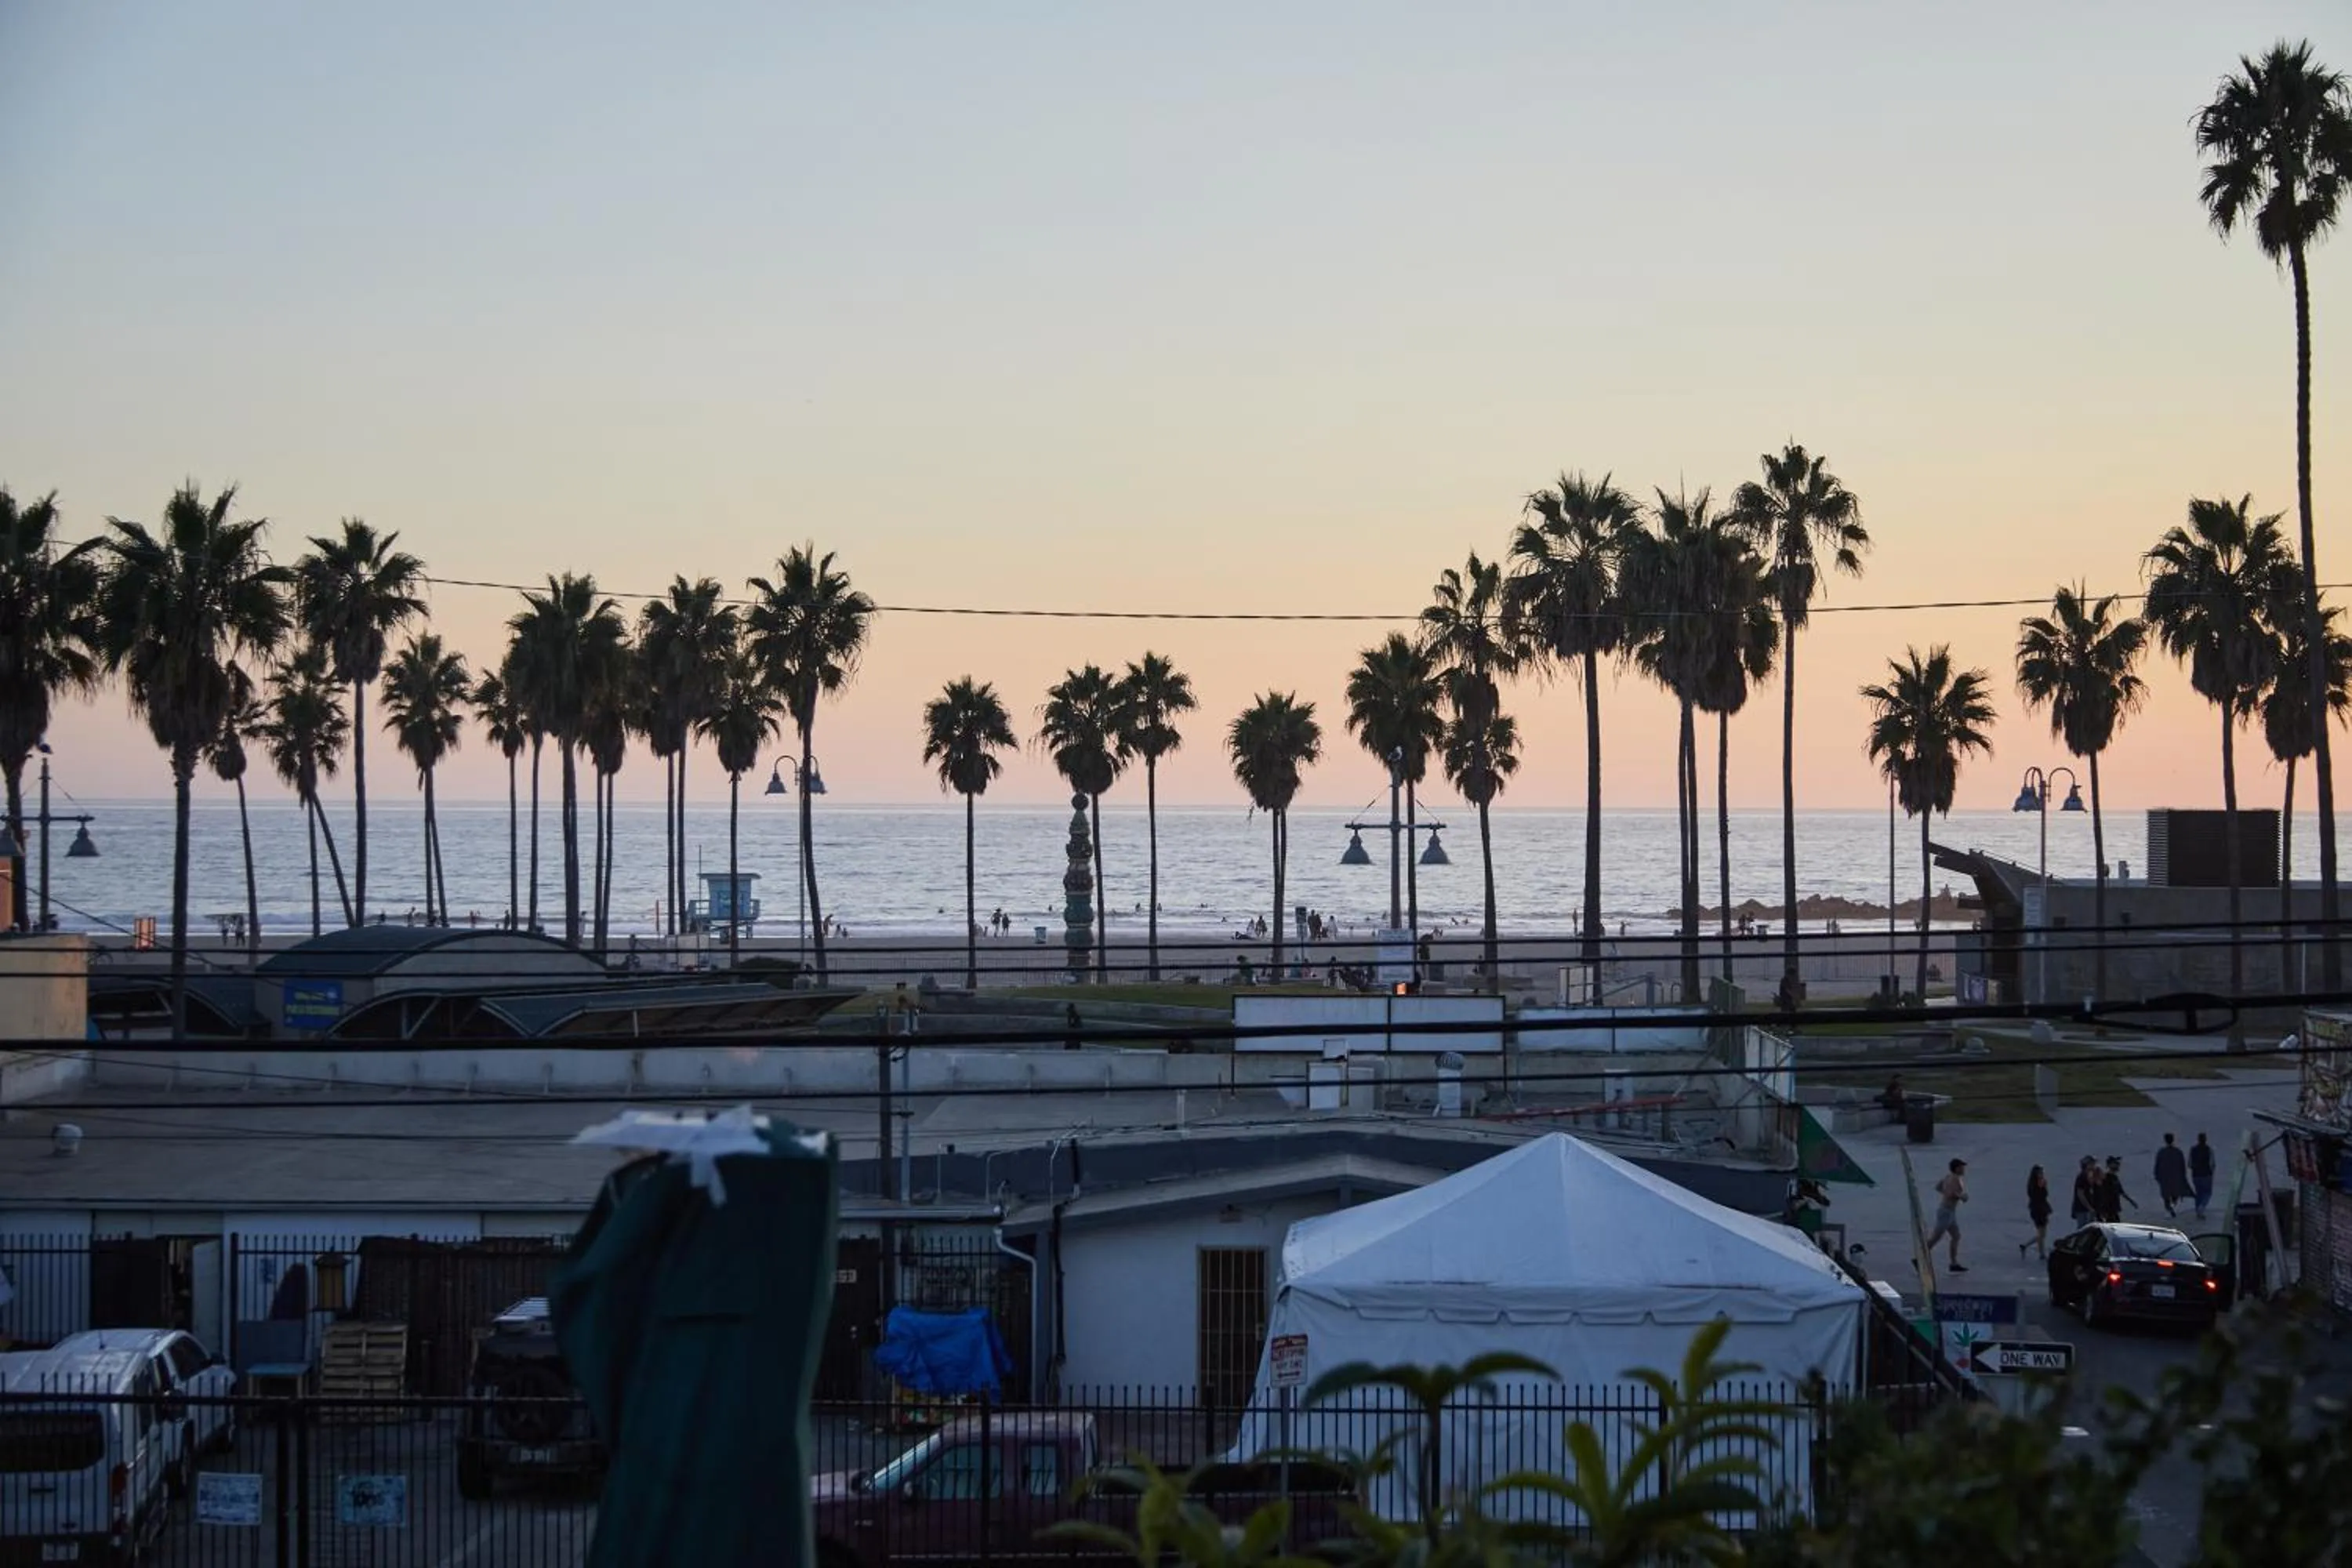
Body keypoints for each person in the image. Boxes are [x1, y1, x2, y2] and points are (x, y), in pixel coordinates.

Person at [1922, 1157, 1969, 1272]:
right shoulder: (1955, 1179)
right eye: (1962, 1167)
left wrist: (1951, 1194)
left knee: (1956, 1236)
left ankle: (1954, 1263)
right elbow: (1950, 1194)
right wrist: (1961, 1197)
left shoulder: (1948, 1177)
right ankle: (1919, 1257)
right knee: (1936, 1237)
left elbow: (1938, 1187)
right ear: (1957, 1168)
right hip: (1946, 1212)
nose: (1964, 1169)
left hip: (1949, 1212)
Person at [2153, 1133, 2190, 1218]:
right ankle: (2172, 1206)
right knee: (2175, 1194)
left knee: (2166, 1196)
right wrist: (2183, 1177)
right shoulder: (2178, 1152)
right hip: (2175, 1177)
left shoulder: (2162, 1152)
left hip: (2165, 1178)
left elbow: (2157, 1165)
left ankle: (2169, 1208)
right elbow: (2182, 1166)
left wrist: (2157, 1175)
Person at [2020, 1165, 2053, 1260]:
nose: (2042, 1174)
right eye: (2040, 1173)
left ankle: (2037, 1251)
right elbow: (2041, 1196)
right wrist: (2043, 1187)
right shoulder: (2036, 1185)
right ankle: (2038, 1251)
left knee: (2041, 1234)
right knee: (2042, 1234)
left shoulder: (2034, 1184)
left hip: (2038, 1209)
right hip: (2039, 1209)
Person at [2097, 1156, 2137, 1223]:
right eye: (2115, 1164)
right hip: (2108, 1209)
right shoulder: (2105, 1178)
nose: (2118, 1166)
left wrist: (2131, 1201)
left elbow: (2121, 1192)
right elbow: (2102, 1194)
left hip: (2115, 1207)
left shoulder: (2115, 1178)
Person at [2190, 1132, 2216, 1220]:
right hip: (2206, 1175)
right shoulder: (2209, 1150)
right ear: (2206, 1140)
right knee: (2207, 1193)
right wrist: (2211, 1172)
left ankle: (2198, 1211)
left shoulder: (2193, 1150)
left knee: (2199, 1193)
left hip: (2196, 1175)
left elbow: (2190, 1164)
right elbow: (2212, 1164)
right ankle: (2202, 1207)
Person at [2070, 1155, 2100, 1227]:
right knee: (2083, 1228)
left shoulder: (2090, 1176)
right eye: (2092, 1164)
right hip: (2081, 1209)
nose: (2094, 1166)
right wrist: (2089, 1207)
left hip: (2088, 1208)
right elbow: (2080, 1194)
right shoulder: (2082, 1177)